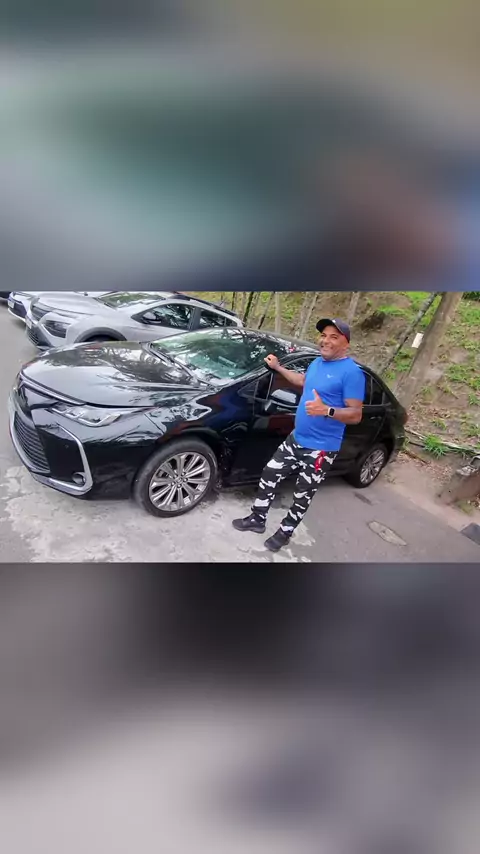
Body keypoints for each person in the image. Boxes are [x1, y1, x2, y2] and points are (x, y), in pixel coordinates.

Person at [232, 318, 366, 551]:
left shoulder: (352, 373)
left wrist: (327, 410)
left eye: (334, 337)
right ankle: (258, 518)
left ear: (346, 344)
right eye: (324, 335)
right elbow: (303, 381)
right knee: (270, 473)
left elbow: (356, 415)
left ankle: (285, 532)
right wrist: (278, 368)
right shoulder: (317, 363)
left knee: (303, 493)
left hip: (321, 448)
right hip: (296, 438)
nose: (326, 340)